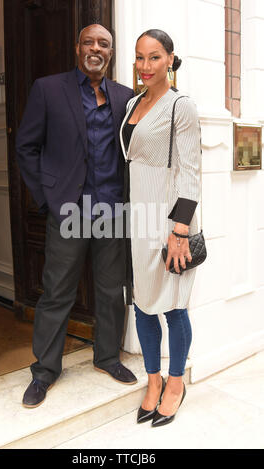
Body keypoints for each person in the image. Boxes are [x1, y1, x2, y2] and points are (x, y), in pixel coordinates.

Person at [16, 24, 137, 409]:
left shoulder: (125, 98)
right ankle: (45, 371)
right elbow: (27, 146)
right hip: (67, 208)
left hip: (111, 209)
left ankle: (107, 358)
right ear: (77, 47)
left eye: (104, 43)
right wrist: (46, 198)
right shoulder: (48, 89)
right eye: (89, 41)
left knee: (110, 289)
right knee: (57, 292)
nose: (96, 48)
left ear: (111, 52)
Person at [120, 29, 201, 426]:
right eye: (139, 58)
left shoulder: (180, 105)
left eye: (154, 57)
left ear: (170, 58)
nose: (145, 66)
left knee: (174, 306)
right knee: (143, 304)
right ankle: (152, 380)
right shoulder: (134, 102)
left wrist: (180, 229)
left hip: (170, 218)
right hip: (139, 217)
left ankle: (175, 382)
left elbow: (190, 169)